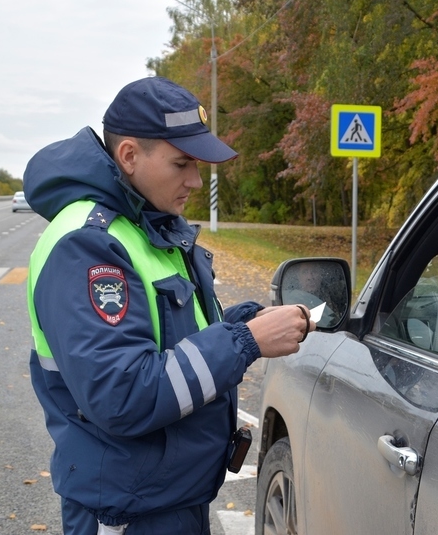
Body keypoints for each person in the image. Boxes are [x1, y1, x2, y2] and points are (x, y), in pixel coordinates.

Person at [24, 76, 315, 535]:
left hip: (166, 500)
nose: (196, 181)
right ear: (129, 156)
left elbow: (172, 340)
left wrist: (240, 322)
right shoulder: (89, 243)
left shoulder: (149, 226)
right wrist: (244, 342)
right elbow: (121, 395)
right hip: (126, 514)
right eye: (181, 164)